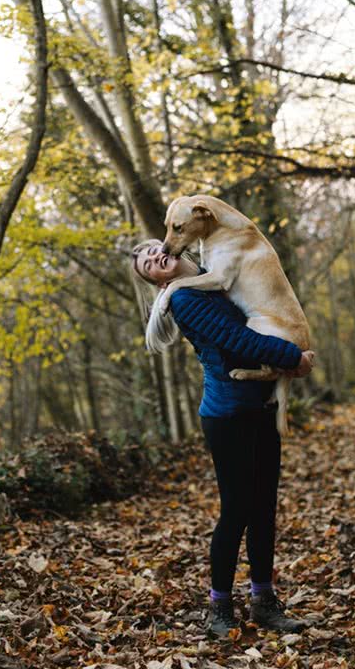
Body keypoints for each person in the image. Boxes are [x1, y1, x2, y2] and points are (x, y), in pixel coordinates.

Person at [131, 239, 314, 637]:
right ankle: (219, 608)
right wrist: (292, 358)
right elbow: (238, 342)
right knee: (237, 510)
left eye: (152, 249)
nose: (156, 256)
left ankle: (264, 602)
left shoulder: (215, 278)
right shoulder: (185, 302)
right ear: (157, 282)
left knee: (264, 507)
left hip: (262, 406)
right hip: (227, 416)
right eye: (149, 264)